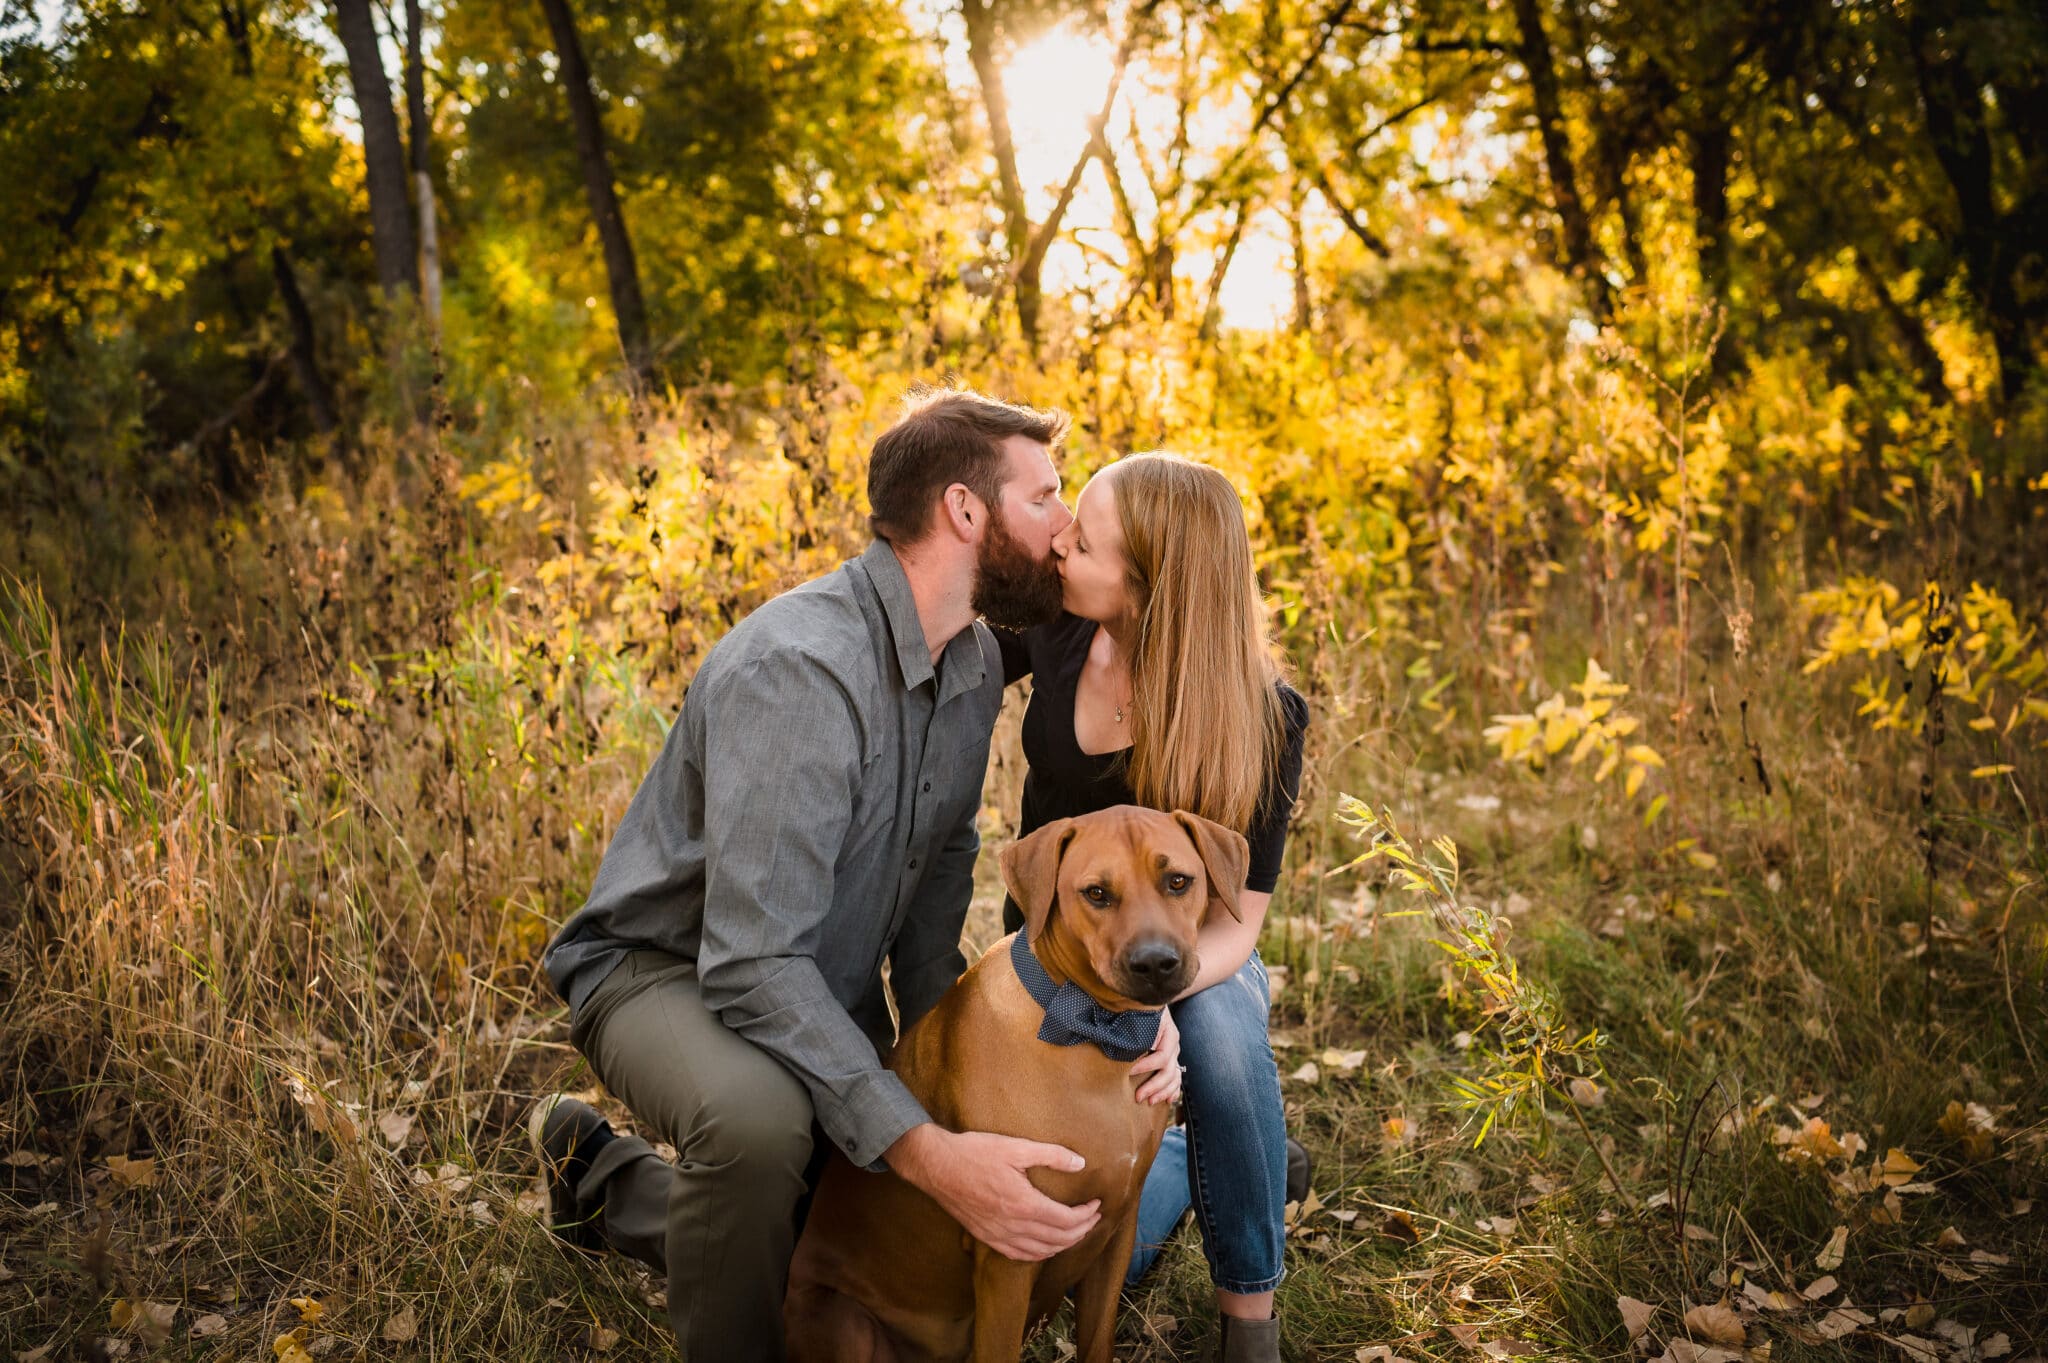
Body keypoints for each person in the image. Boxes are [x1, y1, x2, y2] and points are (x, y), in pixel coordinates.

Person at [529, 387, 1184, 1362]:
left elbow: (929, 919)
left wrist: (961, 1088)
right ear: (966, 512)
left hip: (808, 979)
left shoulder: (965, 667)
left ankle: (597, 1179)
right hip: (664, 971)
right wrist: (928, 1152)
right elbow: (749, 964)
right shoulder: (795, 673)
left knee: (850, 1212)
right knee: (767, 1129)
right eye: (1045, 497)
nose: (1063, 529)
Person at [995, 452, 1309, 1363]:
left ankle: (1250, 1319)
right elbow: (941, 634)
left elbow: (1239, 920)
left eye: (1084, 542)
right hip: (1057, 950)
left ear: (1150, 587)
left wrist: (1159, 1007)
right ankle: (1214, 1153)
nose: (1059, 542)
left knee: (1216, 1037)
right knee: (1075, 1261)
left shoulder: (1265, 716)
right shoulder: (1056, 625)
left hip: (1191, 959)